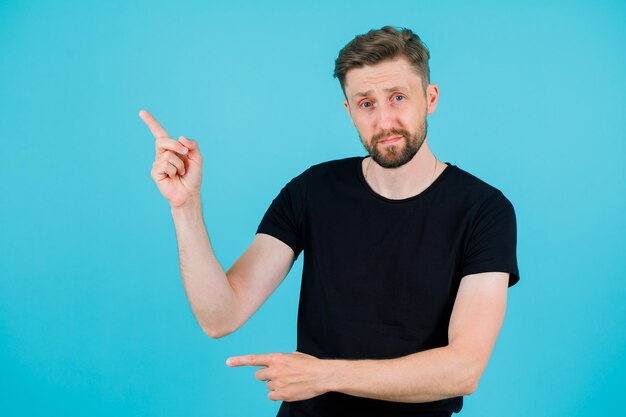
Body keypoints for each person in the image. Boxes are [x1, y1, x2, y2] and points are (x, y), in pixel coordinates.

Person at [139, 26, 520, 417]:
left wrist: (324, 376)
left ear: (430, 98)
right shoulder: (313, 191)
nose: (385, 120)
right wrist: (185, 206)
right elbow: (220, 316)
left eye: (398, 97)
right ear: (349, 112)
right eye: (366, 104)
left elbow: (463, 370)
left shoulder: (484, 211)